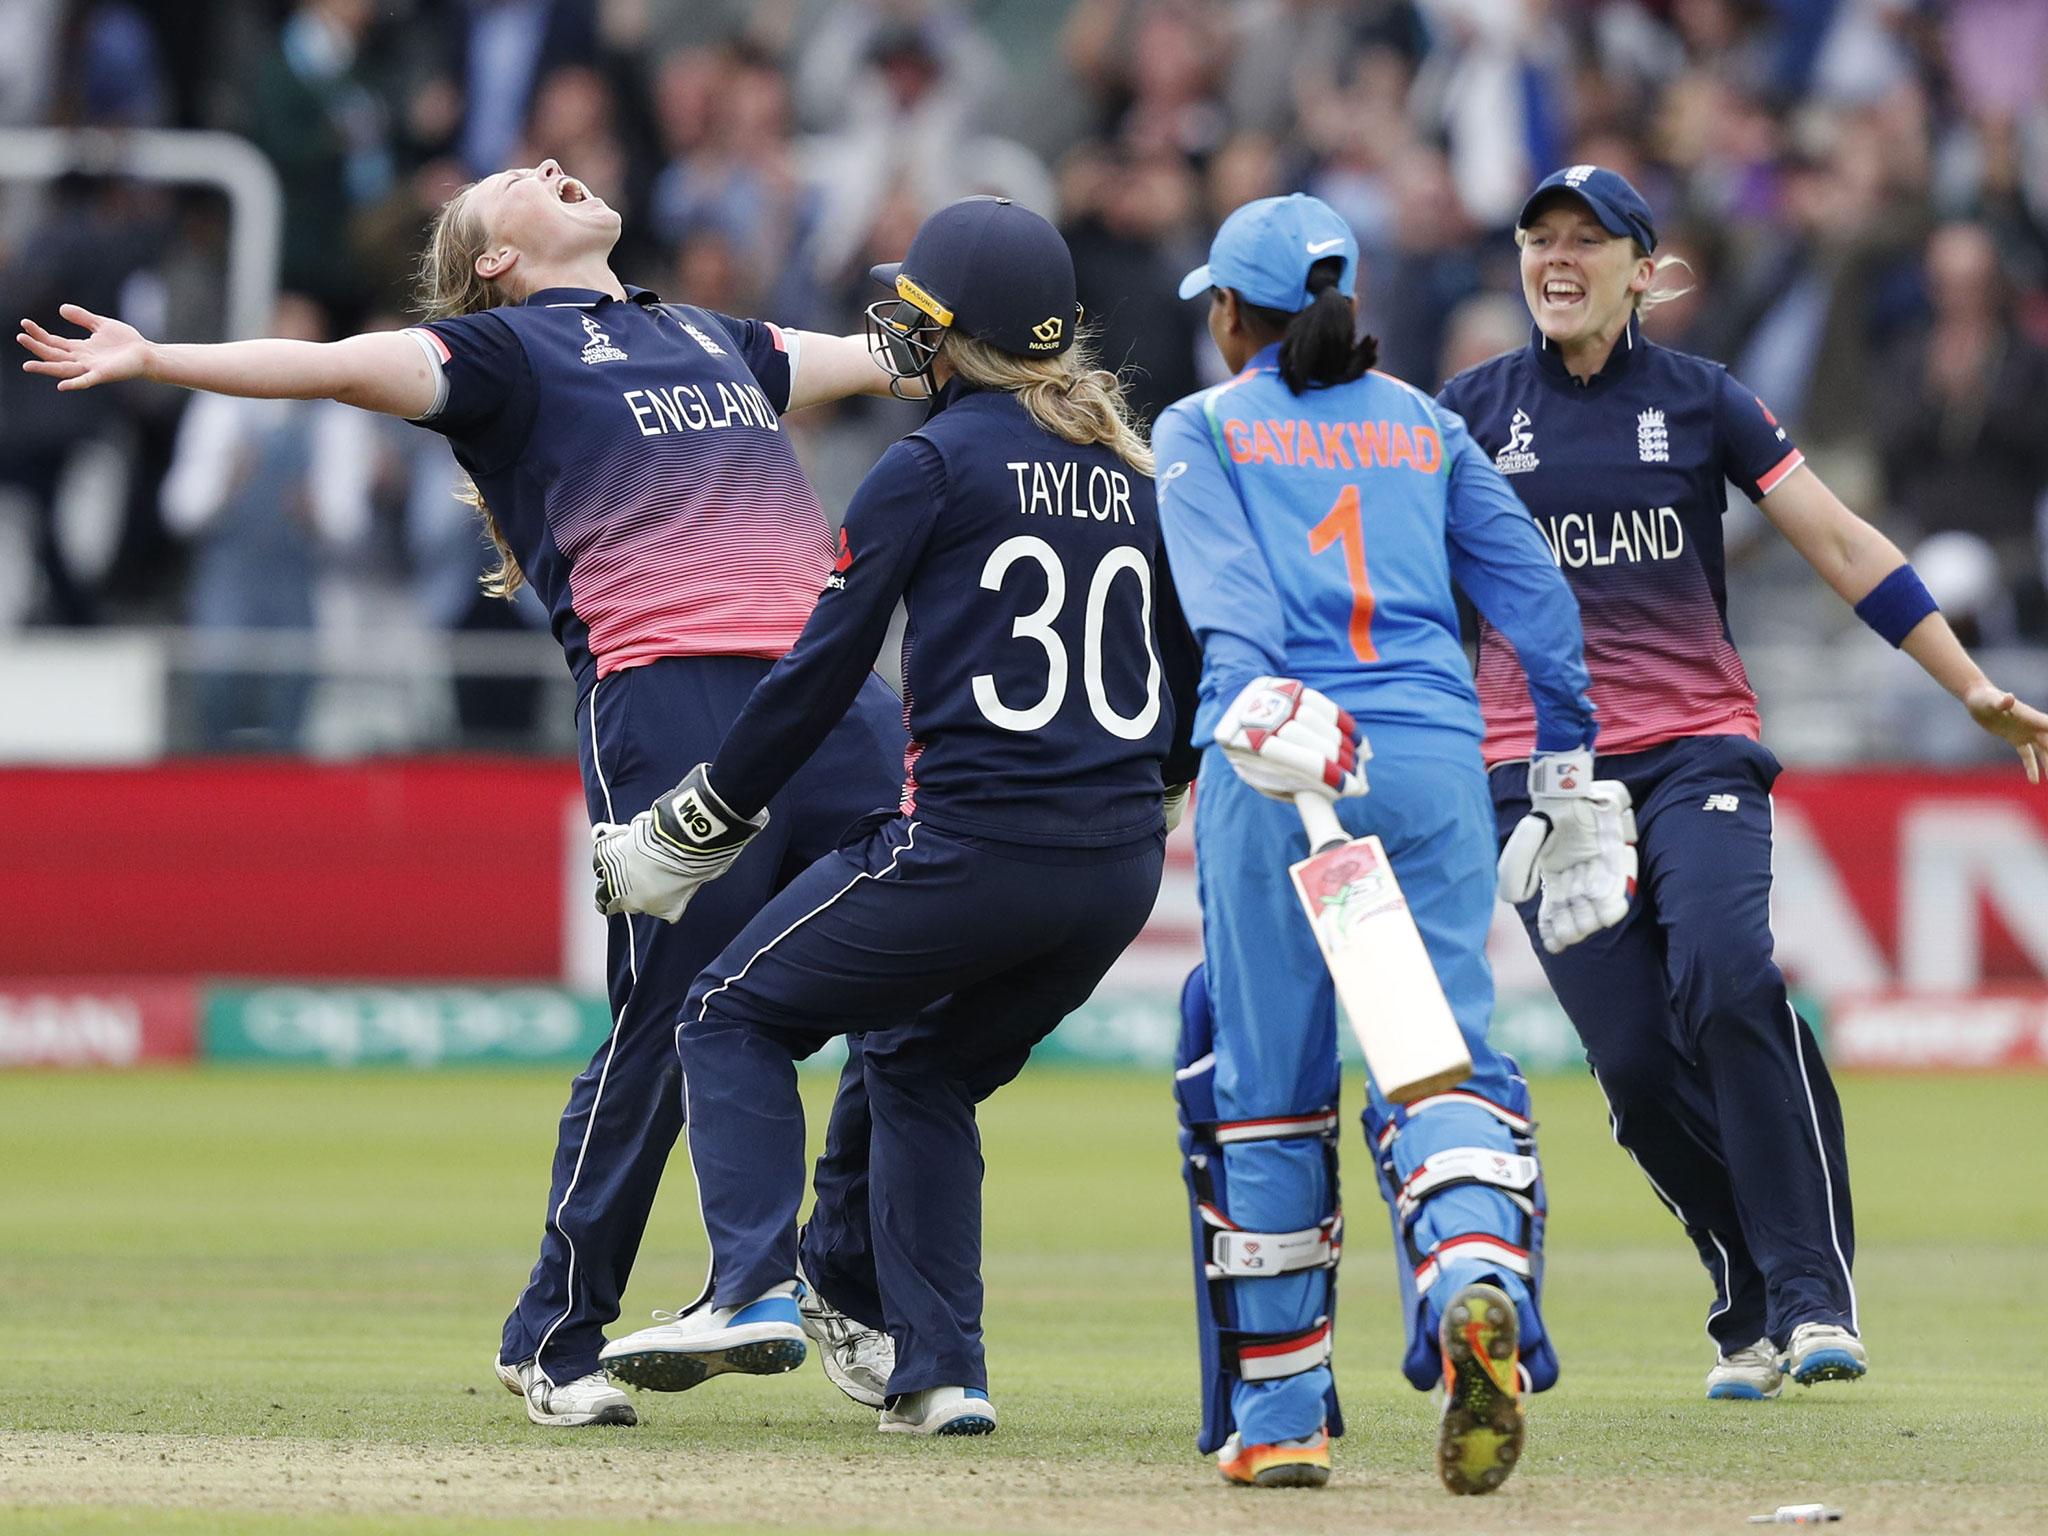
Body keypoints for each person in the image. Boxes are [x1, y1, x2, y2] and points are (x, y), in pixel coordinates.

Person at [18, 157, 911, 1429]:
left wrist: (978, 334)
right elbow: (329, 368)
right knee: (668, 1018)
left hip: (834, 694)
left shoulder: (717, 334)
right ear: (492, 259)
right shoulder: (495, 354)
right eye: (521, 181)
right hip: (668, 699)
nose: (558, 168)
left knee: (923, 960)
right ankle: (555, 1336)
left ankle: (844, 1281)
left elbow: (882, 360)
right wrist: (159, 358)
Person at [584, 195, 1202, 1436]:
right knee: (918, 1065)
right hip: (1117, 872)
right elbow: (1187, 680)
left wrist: (696, 820)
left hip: (969, 848)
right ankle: (939, 1372)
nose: (898, 332)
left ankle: (749, 1287)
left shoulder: (926, 464)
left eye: (915, 313)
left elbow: (817, 673)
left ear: (955, 333)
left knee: (726, 1013)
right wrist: (1132, 802)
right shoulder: (1132, 474)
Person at [1437, 165, 2048, 1404]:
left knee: (1725, 975)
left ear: (1643, 271)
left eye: (1586, 243)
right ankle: (1747, 1292)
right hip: (1538, 780)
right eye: (1537, 239)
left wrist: (1965, 683)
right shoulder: (1465, 413)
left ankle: (1813, 1295)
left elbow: (1835, 539)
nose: (1555, 260)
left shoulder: (1701, 399)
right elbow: (1397, 584)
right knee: (1635, 1064)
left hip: (1692, 750)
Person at [1153, 193, 1629, 1495]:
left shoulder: (1201, 427)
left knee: (1268, 1087)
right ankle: (1474, 1275)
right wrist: (1570, 759)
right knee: (1437, 1064)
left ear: (1230, 314)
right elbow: (1532, 589)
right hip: (1426, 771)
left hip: (1282, 768)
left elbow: (1228, 607)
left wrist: (1258, 701)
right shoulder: (1427, 426)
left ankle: (1287, 1412)